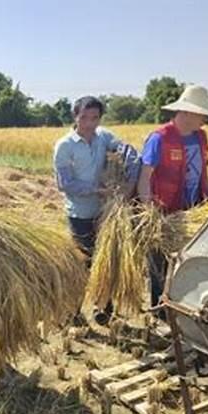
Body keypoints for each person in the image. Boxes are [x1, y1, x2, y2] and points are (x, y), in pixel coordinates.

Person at [136, 85, 208, 310]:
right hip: (165, 212)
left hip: (193, 209)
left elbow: (203, 173)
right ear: (186, 112)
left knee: (188, 264)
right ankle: (160, 311)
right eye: (202, 114)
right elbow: (145, 177)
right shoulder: (160, 138)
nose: (205, 119)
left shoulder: (201, 137)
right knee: (161, 265)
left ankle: (183, 307)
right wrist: (150, 214)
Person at [53, 96, 135, 326]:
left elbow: (121, 148)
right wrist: (95, 190)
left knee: (106, 260)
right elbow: (64, 183)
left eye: (95, 118)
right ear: (75, 116)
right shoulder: (64, 146)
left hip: (106, 212)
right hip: (79, 213)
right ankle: (73, 312)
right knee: (83, 263)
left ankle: (104, 308)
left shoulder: (104, 137)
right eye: (84, 117)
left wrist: (128, 155)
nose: (89, 123)